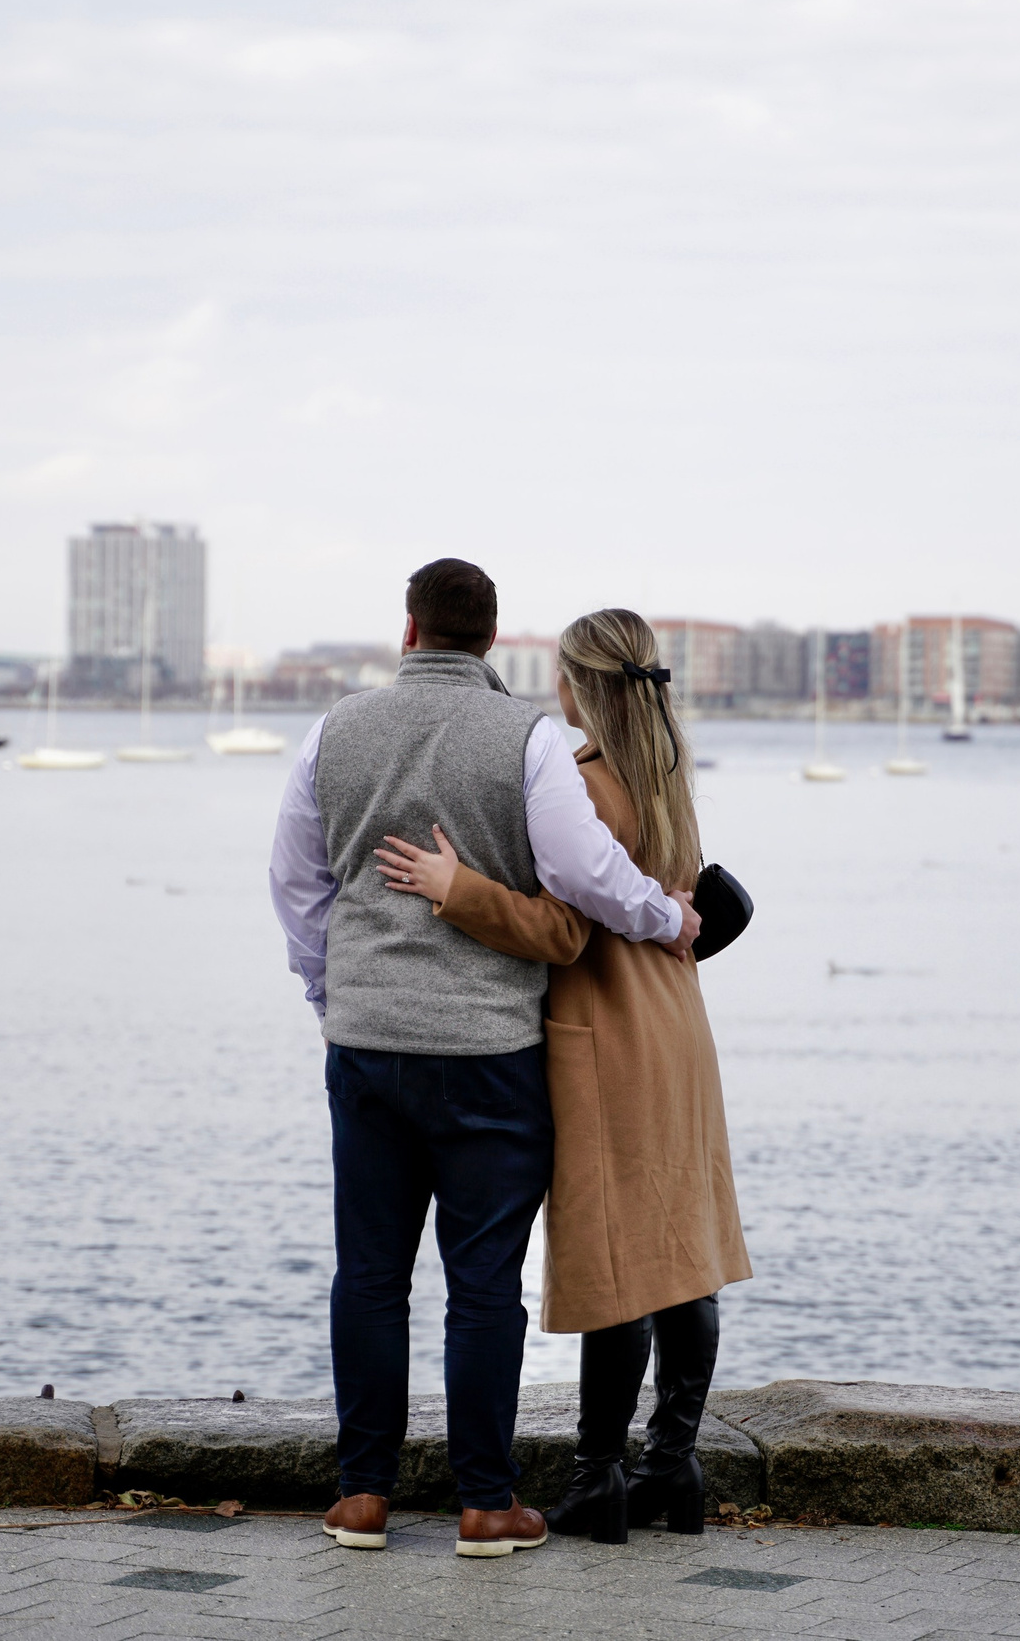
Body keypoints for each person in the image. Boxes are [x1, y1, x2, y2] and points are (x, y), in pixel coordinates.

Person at [268, 561, 703, 1560]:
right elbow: (585, 875)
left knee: (369, 1274)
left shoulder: (334, 729)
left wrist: (332, 991)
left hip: (367, 1046)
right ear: (492, 636)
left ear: (410, 627)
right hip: (489, 1055)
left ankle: (361, 1498)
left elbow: (295, 880)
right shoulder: (528, 739)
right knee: (481, 1284)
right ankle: (484, 1505)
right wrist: (665, 915)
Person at [370, 607, 752, 1545]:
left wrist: (454, 887)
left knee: (617, 1255)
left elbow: (561, 930)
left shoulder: (584, 786)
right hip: (677, 1028)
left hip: (604, 1031)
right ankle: (674, 1462)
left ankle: (600, 1476)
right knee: (681, 1249)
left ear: (576, 684)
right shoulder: (667, 775)